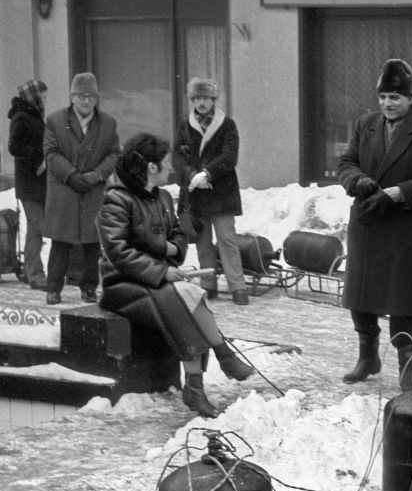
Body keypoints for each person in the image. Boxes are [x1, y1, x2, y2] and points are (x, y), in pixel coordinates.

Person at [97, 132, 254, 418]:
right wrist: (161, 263)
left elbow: (180, 238)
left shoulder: (164, 197)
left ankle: (198, 385)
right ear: (151, 167)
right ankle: (218, 361)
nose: (171, 167)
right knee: (182, 295)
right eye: (166, 162)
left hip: (155, 279)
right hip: (122, 284)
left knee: (189, 293)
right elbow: (118, 254)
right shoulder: (116, 200)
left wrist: (167, 249)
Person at [337, 59, 412, 391]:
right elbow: (346, 161)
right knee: (361, 296)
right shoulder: (365, 124)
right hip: (368, 222)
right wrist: (357, 181)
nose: (388, 103)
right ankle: (368, 357)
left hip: (405, 227)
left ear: (411, 99)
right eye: (384, 96)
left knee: (403, 301)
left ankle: (406, 368)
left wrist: (396, 194)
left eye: (396, 97)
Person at [42, 72, 121, 305]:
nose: (85, 101)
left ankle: (89, 288)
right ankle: (53, 289)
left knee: (91, 241)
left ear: (96, 99)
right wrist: (71, 175)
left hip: (93, 189)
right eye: (80, 95)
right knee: (61, 242)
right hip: (64, 189)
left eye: (90, 96)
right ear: (72, 97)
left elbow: (114, 153)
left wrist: (97, 175)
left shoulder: (108, 123)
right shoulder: (55, 120)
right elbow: (51, 153)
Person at [172, 77, 249, 306]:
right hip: (196, 192)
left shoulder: (227, 124)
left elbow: (229, 156)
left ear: (213, 100)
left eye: (205, 98)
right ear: (192, 100)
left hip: (221, 191)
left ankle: (238, 288)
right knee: (203, 242)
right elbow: (178, 156)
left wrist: (207, 174)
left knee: (227, 240)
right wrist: (191, 175)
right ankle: (209, 285)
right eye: (197, 98)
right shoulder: (184, 125)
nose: (201, 103)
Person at [7, 79, 49, 290]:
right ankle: (35, 274)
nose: (44, 99)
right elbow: (14, 147)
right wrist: (37, 160)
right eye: (42, 95)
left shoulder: (32, 115)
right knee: (37, 227)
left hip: (37, 182)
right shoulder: (22, 117)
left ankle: (33, 271)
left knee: (37, 227)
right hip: (30, 181)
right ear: (33, 95)